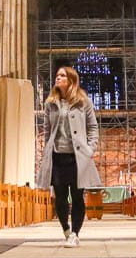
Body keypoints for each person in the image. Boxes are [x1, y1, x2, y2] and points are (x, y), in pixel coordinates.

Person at [35, 66, 100, 247]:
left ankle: (75, 233)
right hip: (57, 156)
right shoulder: (50, 103)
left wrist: (90, 149)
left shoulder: (83, 102)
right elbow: (47, 130)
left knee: (78, 196)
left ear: (71, 80)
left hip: (77, 157)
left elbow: (93, 127)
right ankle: (66, 229)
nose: (58, 78)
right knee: (60, 197)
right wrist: (46, 150)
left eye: (62, 75)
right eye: (57, 75)